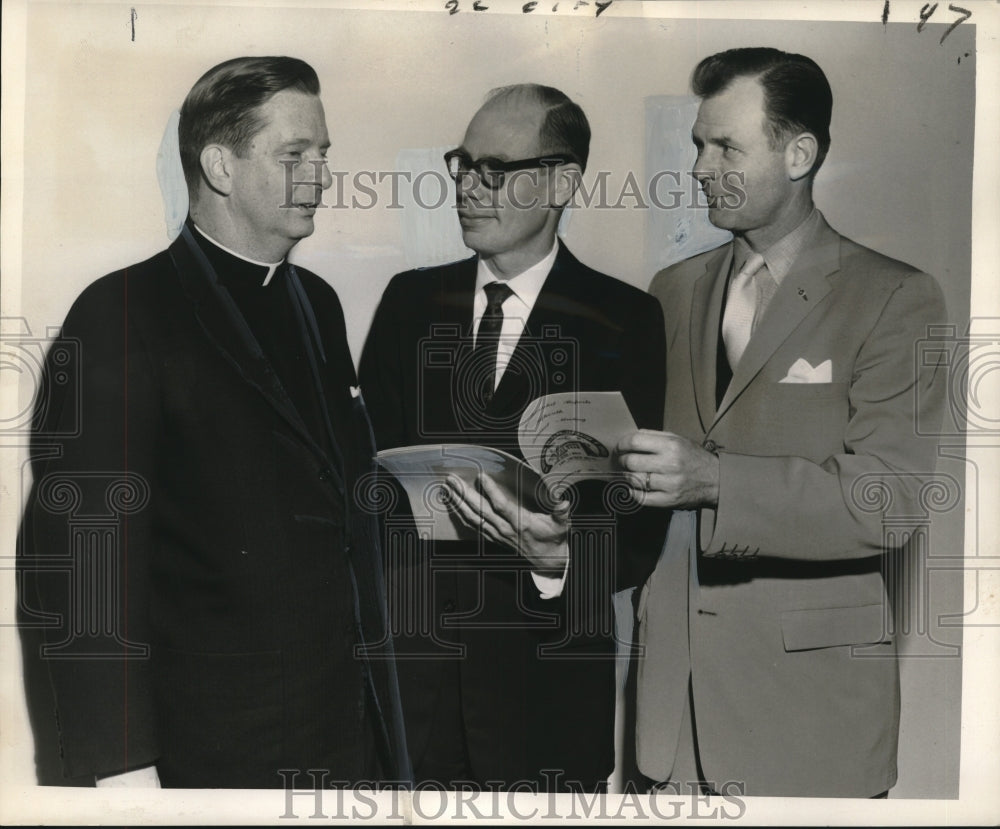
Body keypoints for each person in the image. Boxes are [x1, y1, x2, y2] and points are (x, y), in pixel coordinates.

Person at [19, 56, 410, 788]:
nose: (322, 177)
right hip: (206, 760)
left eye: (324, 155)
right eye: (295, 155)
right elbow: (88, 565)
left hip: (345, 743)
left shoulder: (317, 304)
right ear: (220, 166)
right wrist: (123, 768)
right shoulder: (120, 313)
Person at [617, 47, 947, 797]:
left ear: (799, 154)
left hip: (809, 727)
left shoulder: (895, 297)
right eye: (698, 145)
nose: (700, 167)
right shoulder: (669, 291)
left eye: (725, 146)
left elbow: (889, 498)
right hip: (670, 725)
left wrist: (715, 481)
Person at [359, 83, 667, 791]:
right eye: (462, 165)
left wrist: (556, 560)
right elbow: (362, 483)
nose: (469, 186)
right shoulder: (409, 302)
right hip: (413, 701)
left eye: (496, 169)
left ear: (562, 181)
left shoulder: (625, 319)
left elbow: (639, 529)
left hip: (546, 708)